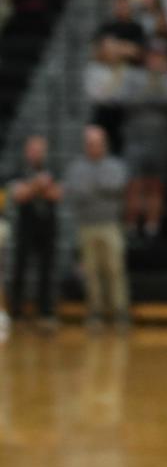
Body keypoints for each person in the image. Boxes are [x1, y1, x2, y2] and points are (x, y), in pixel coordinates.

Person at [63, 124, 129, 330]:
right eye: (89, 143)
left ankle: (120, 313)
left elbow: (116, 186)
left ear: (105, 144)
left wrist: (90, 187)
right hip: (86, 226)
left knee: (114, 269)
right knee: (91, 272)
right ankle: (95, 312)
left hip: (110, 225)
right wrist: (98, 188)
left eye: (97, 143)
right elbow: (75, 193)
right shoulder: (76, 167)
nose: (93, 147)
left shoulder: (116, 165)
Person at [121, 47, 167, 239]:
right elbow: (128, 100)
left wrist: (148, 97)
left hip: (162, 138)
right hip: (136, 137)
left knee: (156, 184)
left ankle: (152, 226)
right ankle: (131, 225)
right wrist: (154, 98)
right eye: (153, 57)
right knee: (135, 183)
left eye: (160, 57)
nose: (156, 61)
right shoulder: (133, 77)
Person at [6, 134, 61, 328]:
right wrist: (37, 186)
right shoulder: (18, 171)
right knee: (19, 269)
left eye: (39, 150)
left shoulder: (53, 170)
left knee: (46, 270)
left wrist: (35, 189)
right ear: (26, 152)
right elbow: (19, 195)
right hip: (25, 227)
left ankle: (45, 312)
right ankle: (17, 312)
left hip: (46, 227)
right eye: (32, 150)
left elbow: (57, 195)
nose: (36, 154)